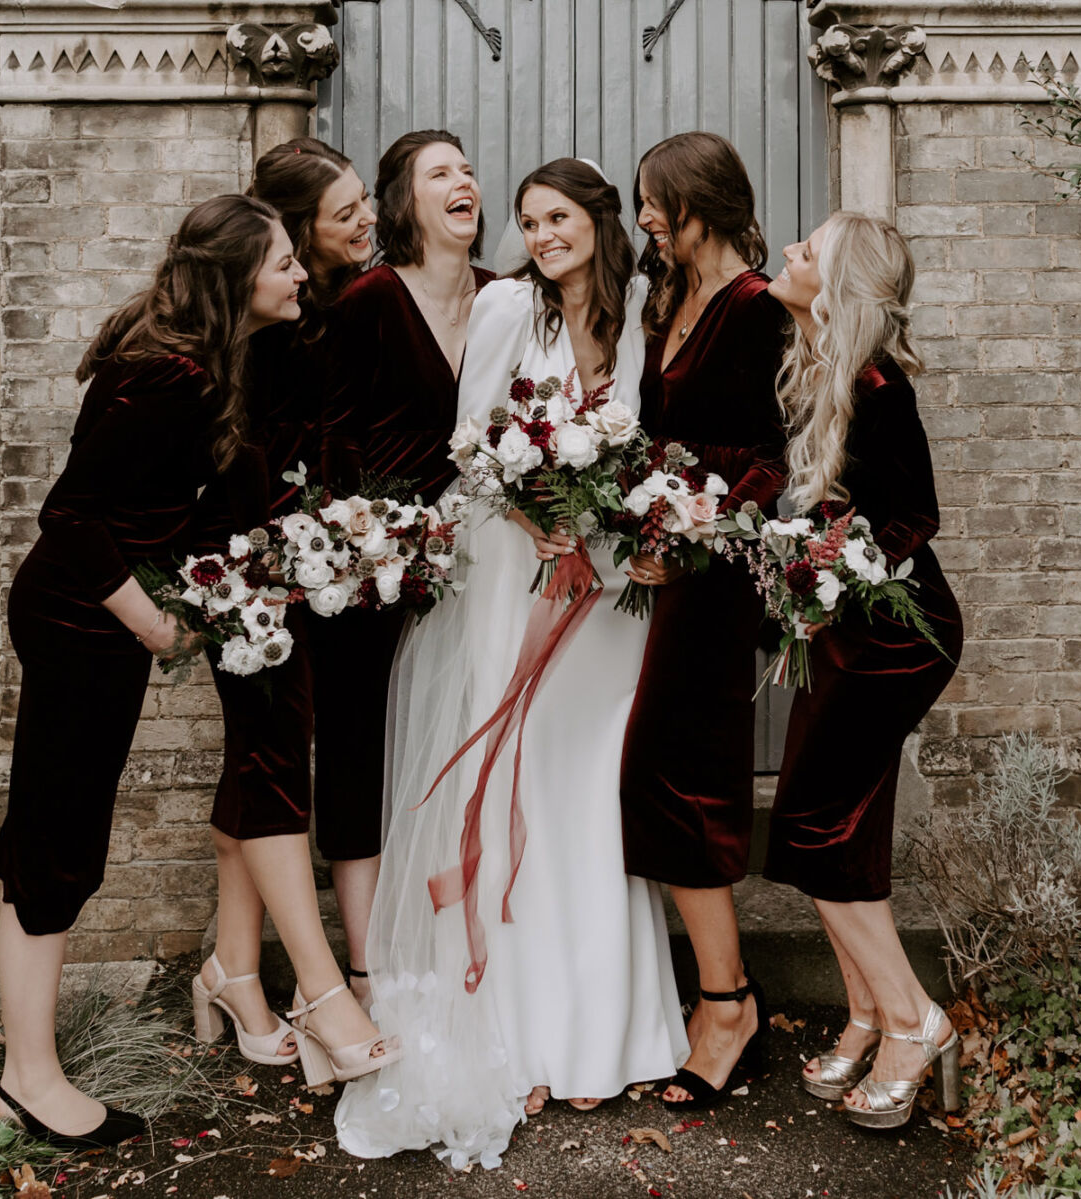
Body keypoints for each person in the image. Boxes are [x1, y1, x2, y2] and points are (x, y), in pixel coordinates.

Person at [334, 158, 686, 1167]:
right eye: (528, 222)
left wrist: (628, 524)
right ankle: (522, 1031)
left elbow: (657, 448)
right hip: (518, 575)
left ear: (599, 220)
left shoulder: (643, 320)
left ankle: (610, 1033)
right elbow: (470, 444)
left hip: (612, 597)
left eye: (557, 217)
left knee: (594, 792)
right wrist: (539, 515)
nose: (540, 236)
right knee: (518, 778)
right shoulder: (506, 311)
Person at [0, 195, 317, 1146]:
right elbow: (71, 515)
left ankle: (27, 1070)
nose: (298, 275)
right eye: (284, 261)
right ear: (235, 277)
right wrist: (151, 620)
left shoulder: (203, 358)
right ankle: (28, 1081)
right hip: (75, 619)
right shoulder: (168, 374)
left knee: (61, 838)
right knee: (55, 842)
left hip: (96, 623)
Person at [765, 210, 965, 1130]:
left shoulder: (879, 387)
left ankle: (915, 1020)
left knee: (809, 824)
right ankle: (866, 1013)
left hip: (896, 636)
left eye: (808, 250)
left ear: (838, 283)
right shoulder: (813, 369)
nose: (790, 255)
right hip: (841, 633)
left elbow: (913, 516)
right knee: (838, 830)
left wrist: (837, 568)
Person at [192, 139, 387, 1070]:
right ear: (293, 233)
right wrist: (273, 556)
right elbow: (237, 463)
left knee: (257, 763)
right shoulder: (257, 328)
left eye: (364, 204)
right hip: (245, 576)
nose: (365, 221)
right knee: (271, 762)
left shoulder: (332, 305)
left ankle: (232, 972)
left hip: (301, 568)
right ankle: (319, 990)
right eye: (344, 211)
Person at [617, 131, 791, 1109]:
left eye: (655, 202)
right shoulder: (668, 299)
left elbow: (774, 454)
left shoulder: (758, 309)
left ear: (701, 205)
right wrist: (642, 514)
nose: (644, 220)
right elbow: (655, 439)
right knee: (660, 775)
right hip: (671, 567)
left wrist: (698, 522)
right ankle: (724, 994)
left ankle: (728, 1003)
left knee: (684, 776)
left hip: (722, 575)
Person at [310, 130, 497, 1006]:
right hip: (376, 568)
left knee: (467, 756)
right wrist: (371, 534)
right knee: (360, 752)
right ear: (403, 203)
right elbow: (331, 436)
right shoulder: (369, 301)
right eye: (439, 172)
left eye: (465, 169)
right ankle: (367, 967)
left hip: (484, 571)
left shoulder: (507, 299)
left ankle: (470, 952)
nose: (463, 180)